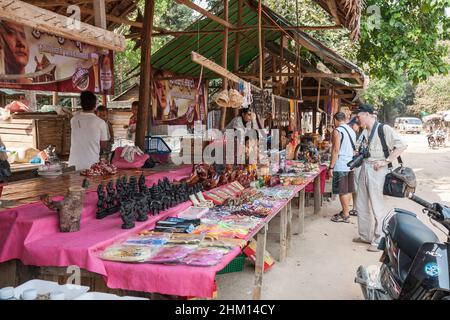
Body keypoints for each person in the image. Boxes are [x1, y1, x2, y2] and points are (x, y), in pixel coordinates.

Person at [352, 104, 407, 252]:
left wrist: (386, 161)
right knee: (361, 203)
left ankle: (379, 239)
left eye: (359, 116)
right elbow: (360, 149)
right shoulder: (365, 131)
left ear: (367, 114)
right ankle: (365, 236)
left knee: (377, 206)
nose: (357, 119)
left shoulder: (384, 129)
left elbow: (401, 145)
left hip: (378, 170)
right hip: (364, 167)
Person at [68, 91, 109, 171]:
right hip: (91, 165)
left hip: (73, 165)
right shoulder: (100, 122)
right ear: (95, 105)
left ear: (81, 104)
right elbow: (104, 145)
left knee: (74, 184)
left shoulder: (73, 120)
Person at [329, 112, 356, 223]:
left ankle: (345, 215)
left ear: (335, 120)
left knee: (342, 191)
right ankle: (345, 211)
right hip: (350, 164)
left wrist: (331, 167)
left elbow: (336, 150)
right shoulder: (351, 130)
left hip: (341, 164)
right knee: (348, 189)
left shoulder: (337, 131)